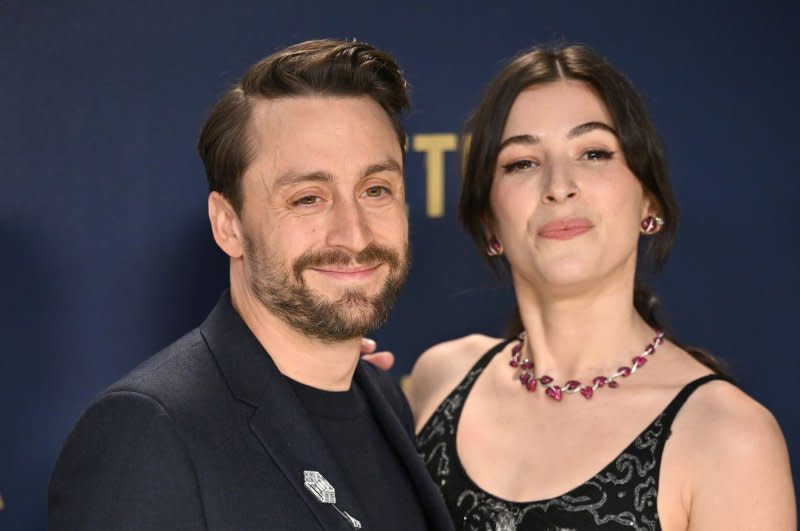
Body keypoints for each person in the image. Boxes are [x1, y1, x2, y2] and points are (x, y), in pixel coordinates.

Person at [48, 39, 454, 531]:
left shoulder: (382, 397)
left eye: (376, 190)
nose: (355, 234)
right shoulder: (149, 432)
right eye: (308, 198)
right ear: (229, 225)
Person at [405, 44, 796, 530]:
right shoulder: (438, 381)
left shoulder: (728, 436)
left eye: (594, 153)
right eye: (521, 162)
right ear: (489, 222)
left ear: (648, 200)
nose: (559, 185)